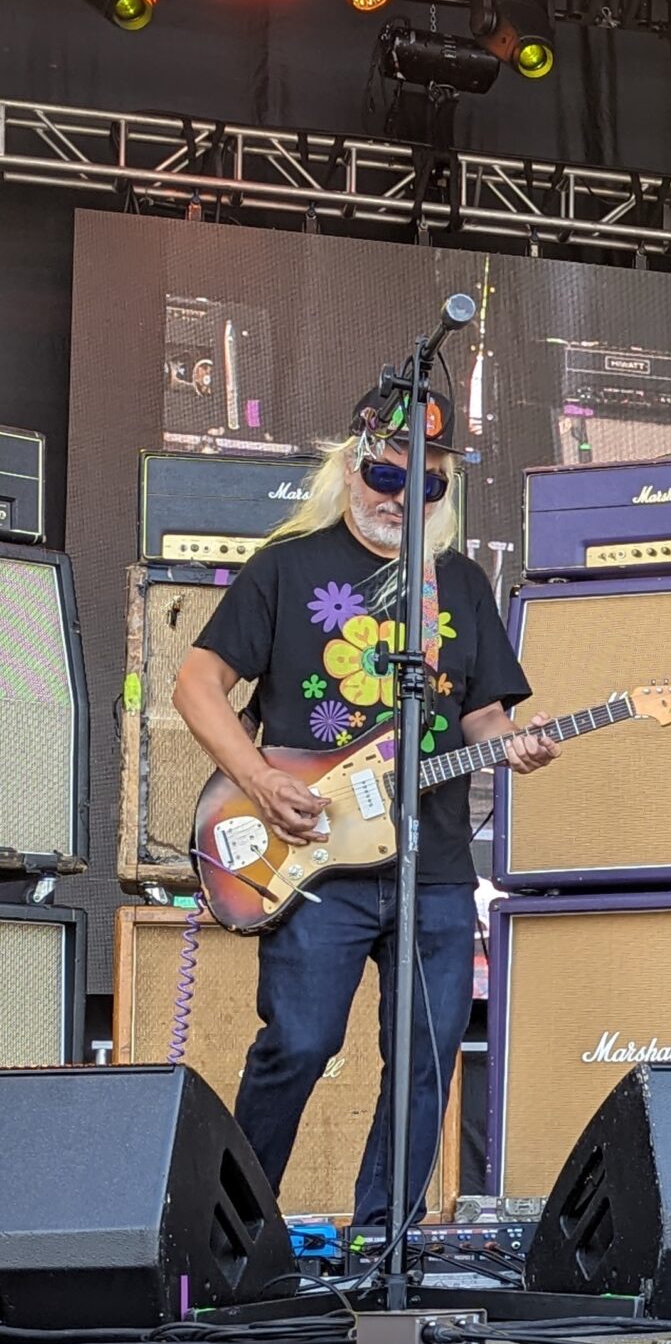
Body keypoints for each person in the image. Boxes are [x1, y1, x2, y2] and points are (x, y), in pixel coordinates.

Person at [171, 382, 559, 1227]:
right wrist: (263, 779)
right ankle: (228, 1234)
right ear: (351, 466)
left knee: (425, 1058)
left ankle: (384, 1241)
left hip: (438, 865)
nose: (401, 498)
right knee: (299, 1045)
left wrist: (519, 744)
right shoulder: (287, 567)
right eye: (387, 476)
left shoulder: (455, 582)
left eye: (426, 485)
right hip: (319, 863)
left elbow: (485, 715)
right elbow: (197, 683)